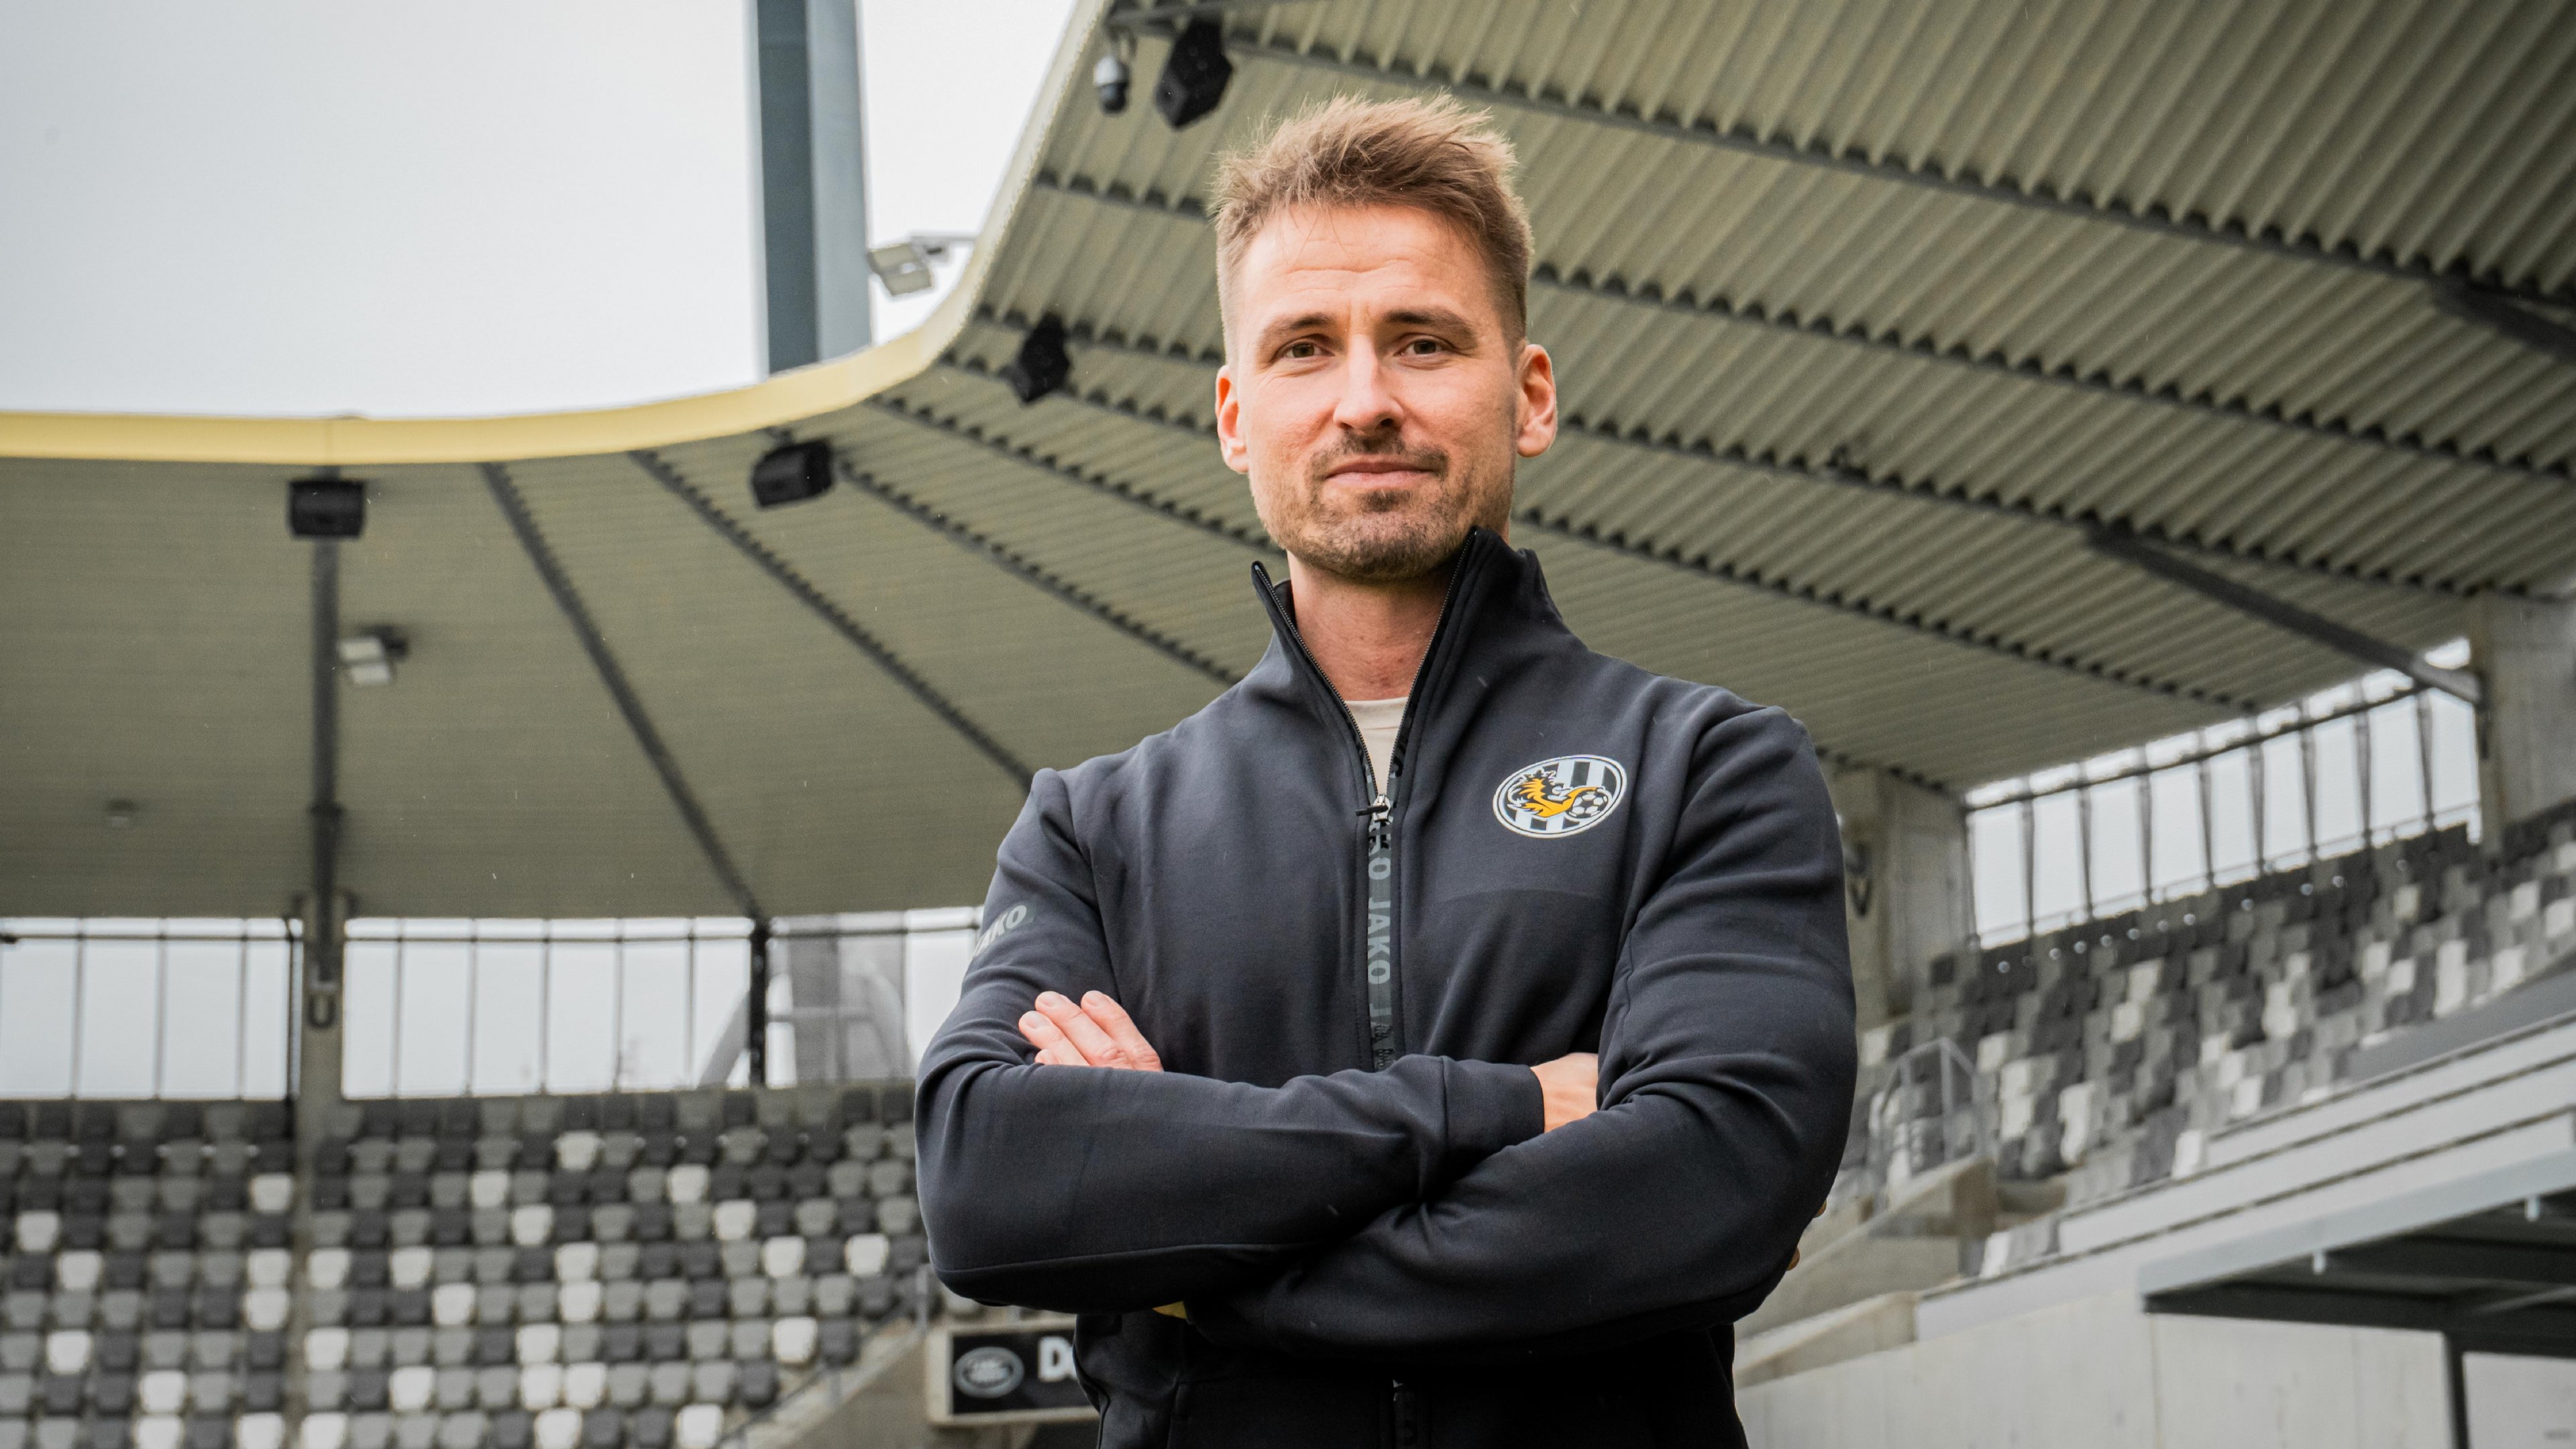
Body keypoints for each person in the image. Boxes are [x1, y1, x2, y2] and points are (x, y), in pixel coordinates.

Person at [916, 95, 1856, 1448]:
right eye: (1305, 348)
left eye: (1422, 341)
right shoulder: (1091, 830)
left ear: (1528, 395)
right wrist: (1503, 1104)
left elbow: (1711, 1190)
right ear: (1236, 416)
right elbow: (990, 1190)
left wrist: (1195, 1269)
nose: (1365, 401)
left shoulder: (1707, 769)